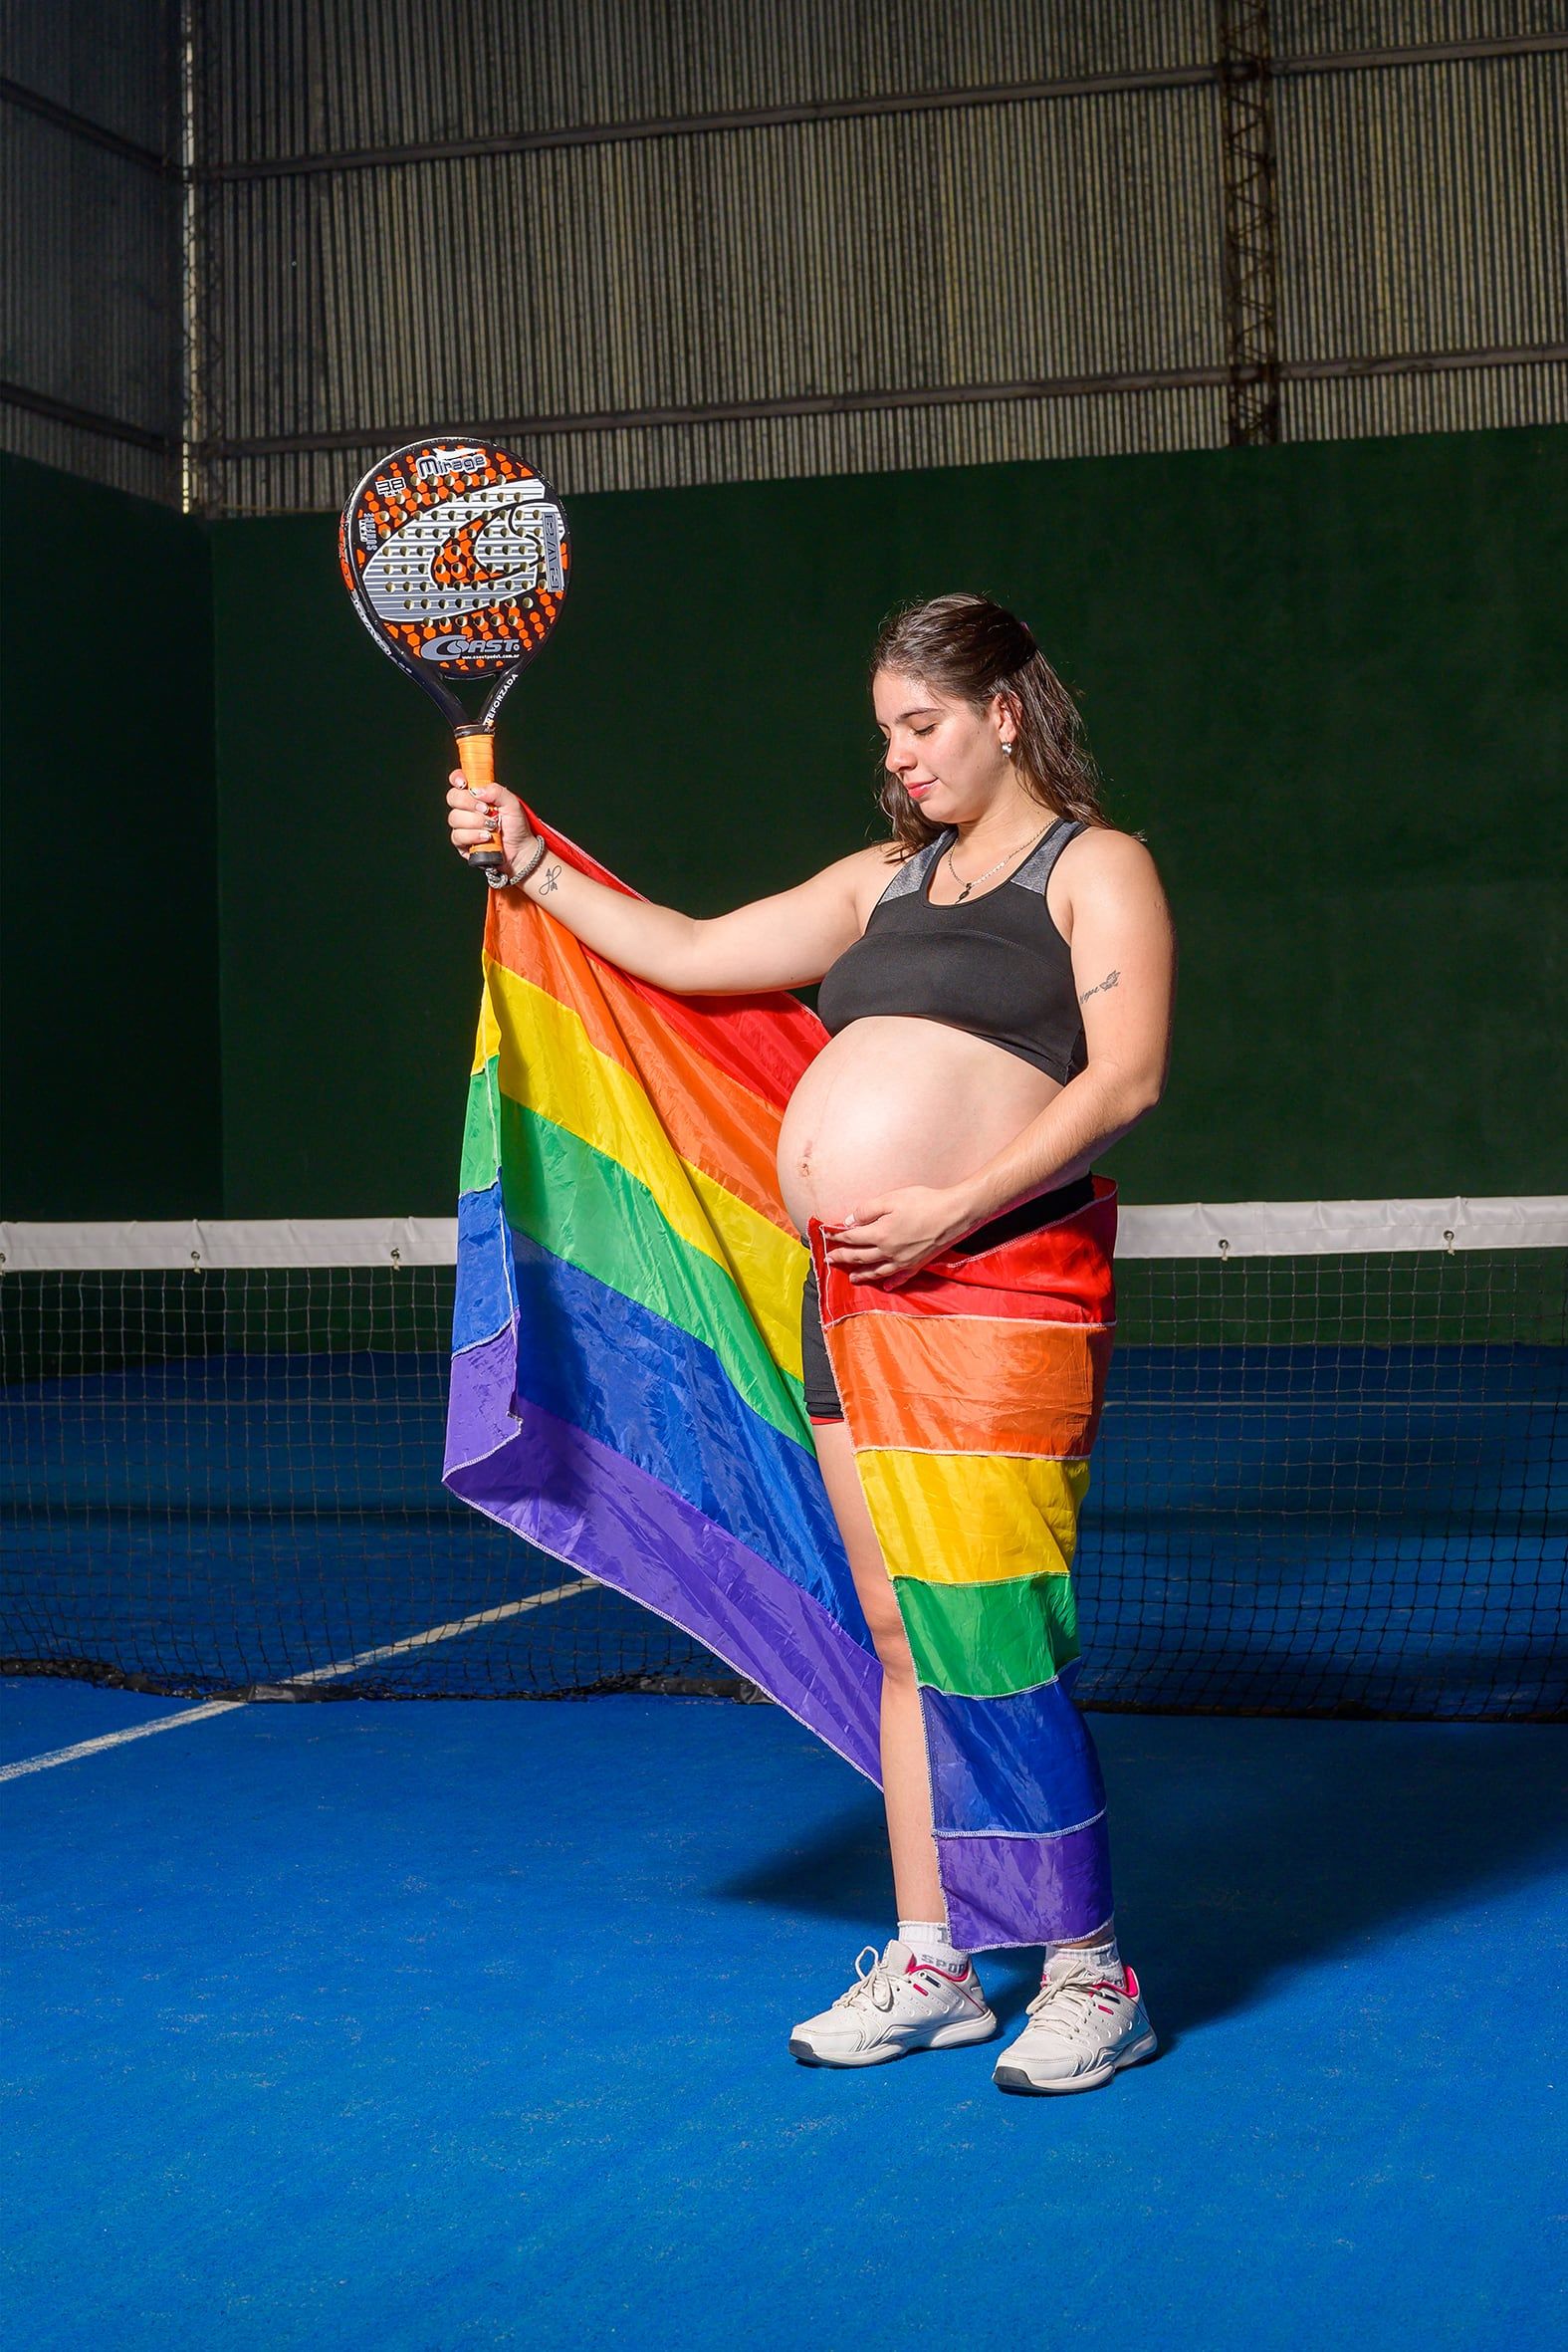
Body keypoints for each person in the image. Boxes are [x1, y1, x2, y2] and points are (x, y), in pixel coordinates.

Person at [445, 592, 1177, 2093]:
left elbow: (1126, 1081)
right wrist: (525, 852)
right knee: (902, 1634)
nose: (901, 757)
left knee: (997, 1636)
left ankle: (1092, 1968)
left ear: (1006, 715)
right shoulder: (880, 884)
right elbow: (693, 949)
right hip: (845, 1298)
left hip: (992, 1286)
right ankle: (938, 1955)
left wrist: (956, 1204)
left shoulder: (1098, 870)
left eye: (924, 726)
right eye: (888, 732)